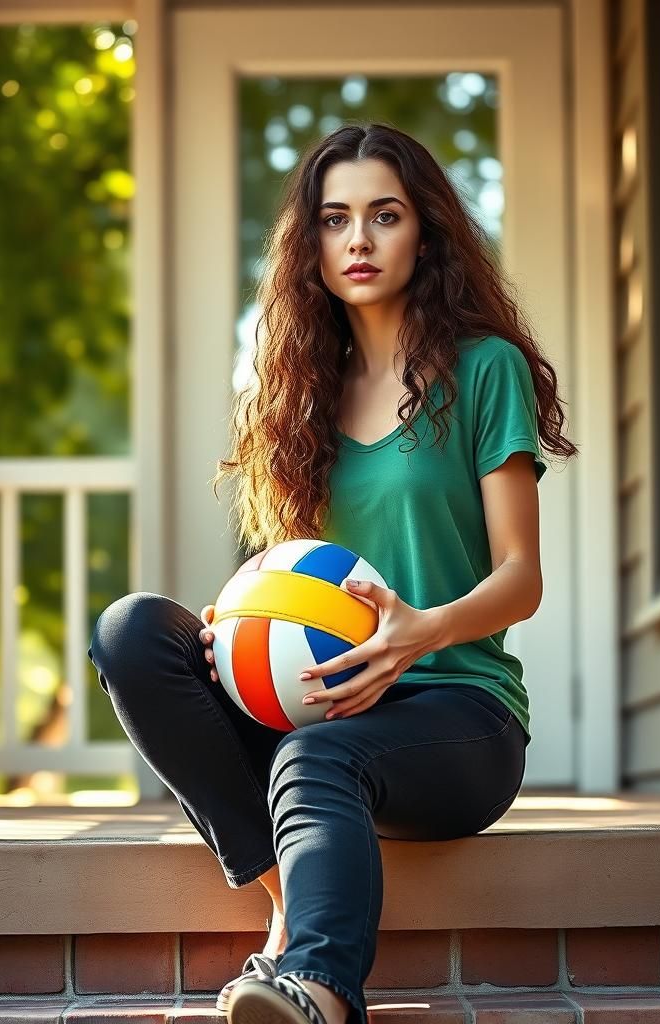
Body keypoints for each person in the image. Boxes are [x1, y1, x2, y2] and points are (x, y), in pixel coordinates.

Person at [87, 121, 578, 1024]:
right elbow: (296, 577)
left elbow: (522, 578)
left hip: (457, 712)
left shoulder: (483, 369)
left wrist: (417, 633)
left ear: (424, 231)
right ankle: (286, 898)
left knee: (317, 756)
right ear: (309, 243)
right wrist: (239, 632)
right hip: (319, 697)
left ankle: (317, 989)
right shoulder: (296, 392)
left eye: (385, 215)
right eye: (335, 219)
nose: (359, 239)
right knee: (132, 633)